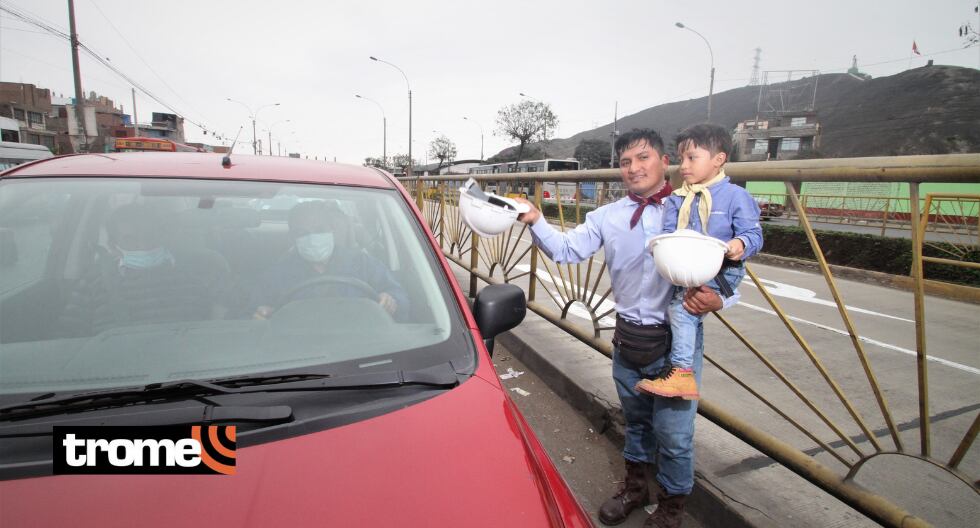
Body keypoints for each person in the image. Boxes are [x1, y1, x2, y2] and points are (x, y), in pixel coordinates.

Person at [514, 129, 737, 528]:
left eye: (643, 158)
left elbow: (731, 262)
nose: (634, 168)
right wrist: (534, 219)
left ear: (665, 161)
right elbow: (567, 250)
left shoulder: (692, 209)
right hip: (627, 337)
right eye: (625, 162)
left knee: (674, 436)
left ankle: (671, 510)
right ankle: (636, 488)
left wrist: (721, 298)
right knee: (635, 423)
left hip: (674, 347)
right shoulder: (608, 216)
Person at [636, 123, 762, 401]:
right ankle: (679, 372)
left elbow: (753, 234)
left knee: (681, 310)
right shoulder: (677, 198)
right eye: (681, 159)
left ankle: (681, 374)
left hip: (721, 271)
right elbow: (669, 232)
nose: (684, 166)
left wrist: (739, 244)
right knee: (680, 308)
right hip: (688, 268)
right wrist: (661, 246)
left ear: (719, 159)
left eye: (692, 158)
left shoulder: (735, 197)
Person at [61, 203, 218, 335]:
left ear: (162, 237)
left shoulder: (195, 278)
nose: (143, 246)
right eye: (130, 240)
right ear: (113, 247)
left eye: (150, 237)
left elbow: (218, 331)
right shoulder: (93, 284)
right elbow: (68, 339)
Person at [247, 200, 409, 320]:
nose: (312, 237)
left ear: (331, 230)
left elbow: (400, 296)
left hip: (360, 346)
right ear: (292, 237)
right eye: (303, 233)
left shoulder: (362, 263)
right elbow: (249, 312)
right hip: (297, 352)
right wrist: (259, 315)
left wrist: (390, 300)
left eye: (319, 230)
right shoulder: (277, 274)